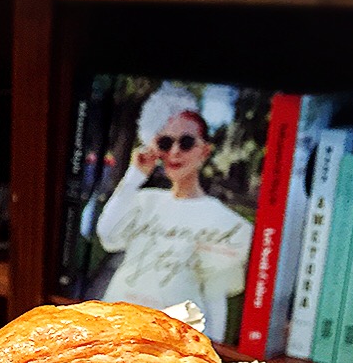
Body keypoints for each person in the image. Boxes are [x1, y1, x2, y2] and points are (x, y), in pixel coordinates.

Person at [95, 84, 252, 343]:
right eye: (166, 143)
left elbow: (215, 294)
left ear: (205, 150)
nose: (176, 152)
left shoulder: (225, 221)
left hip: (169, 343)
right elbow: (107, 236)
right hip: (114, 327)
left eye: (187, 142)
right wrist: (135, 176)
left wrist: (213, 353)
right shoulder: (145, 201)